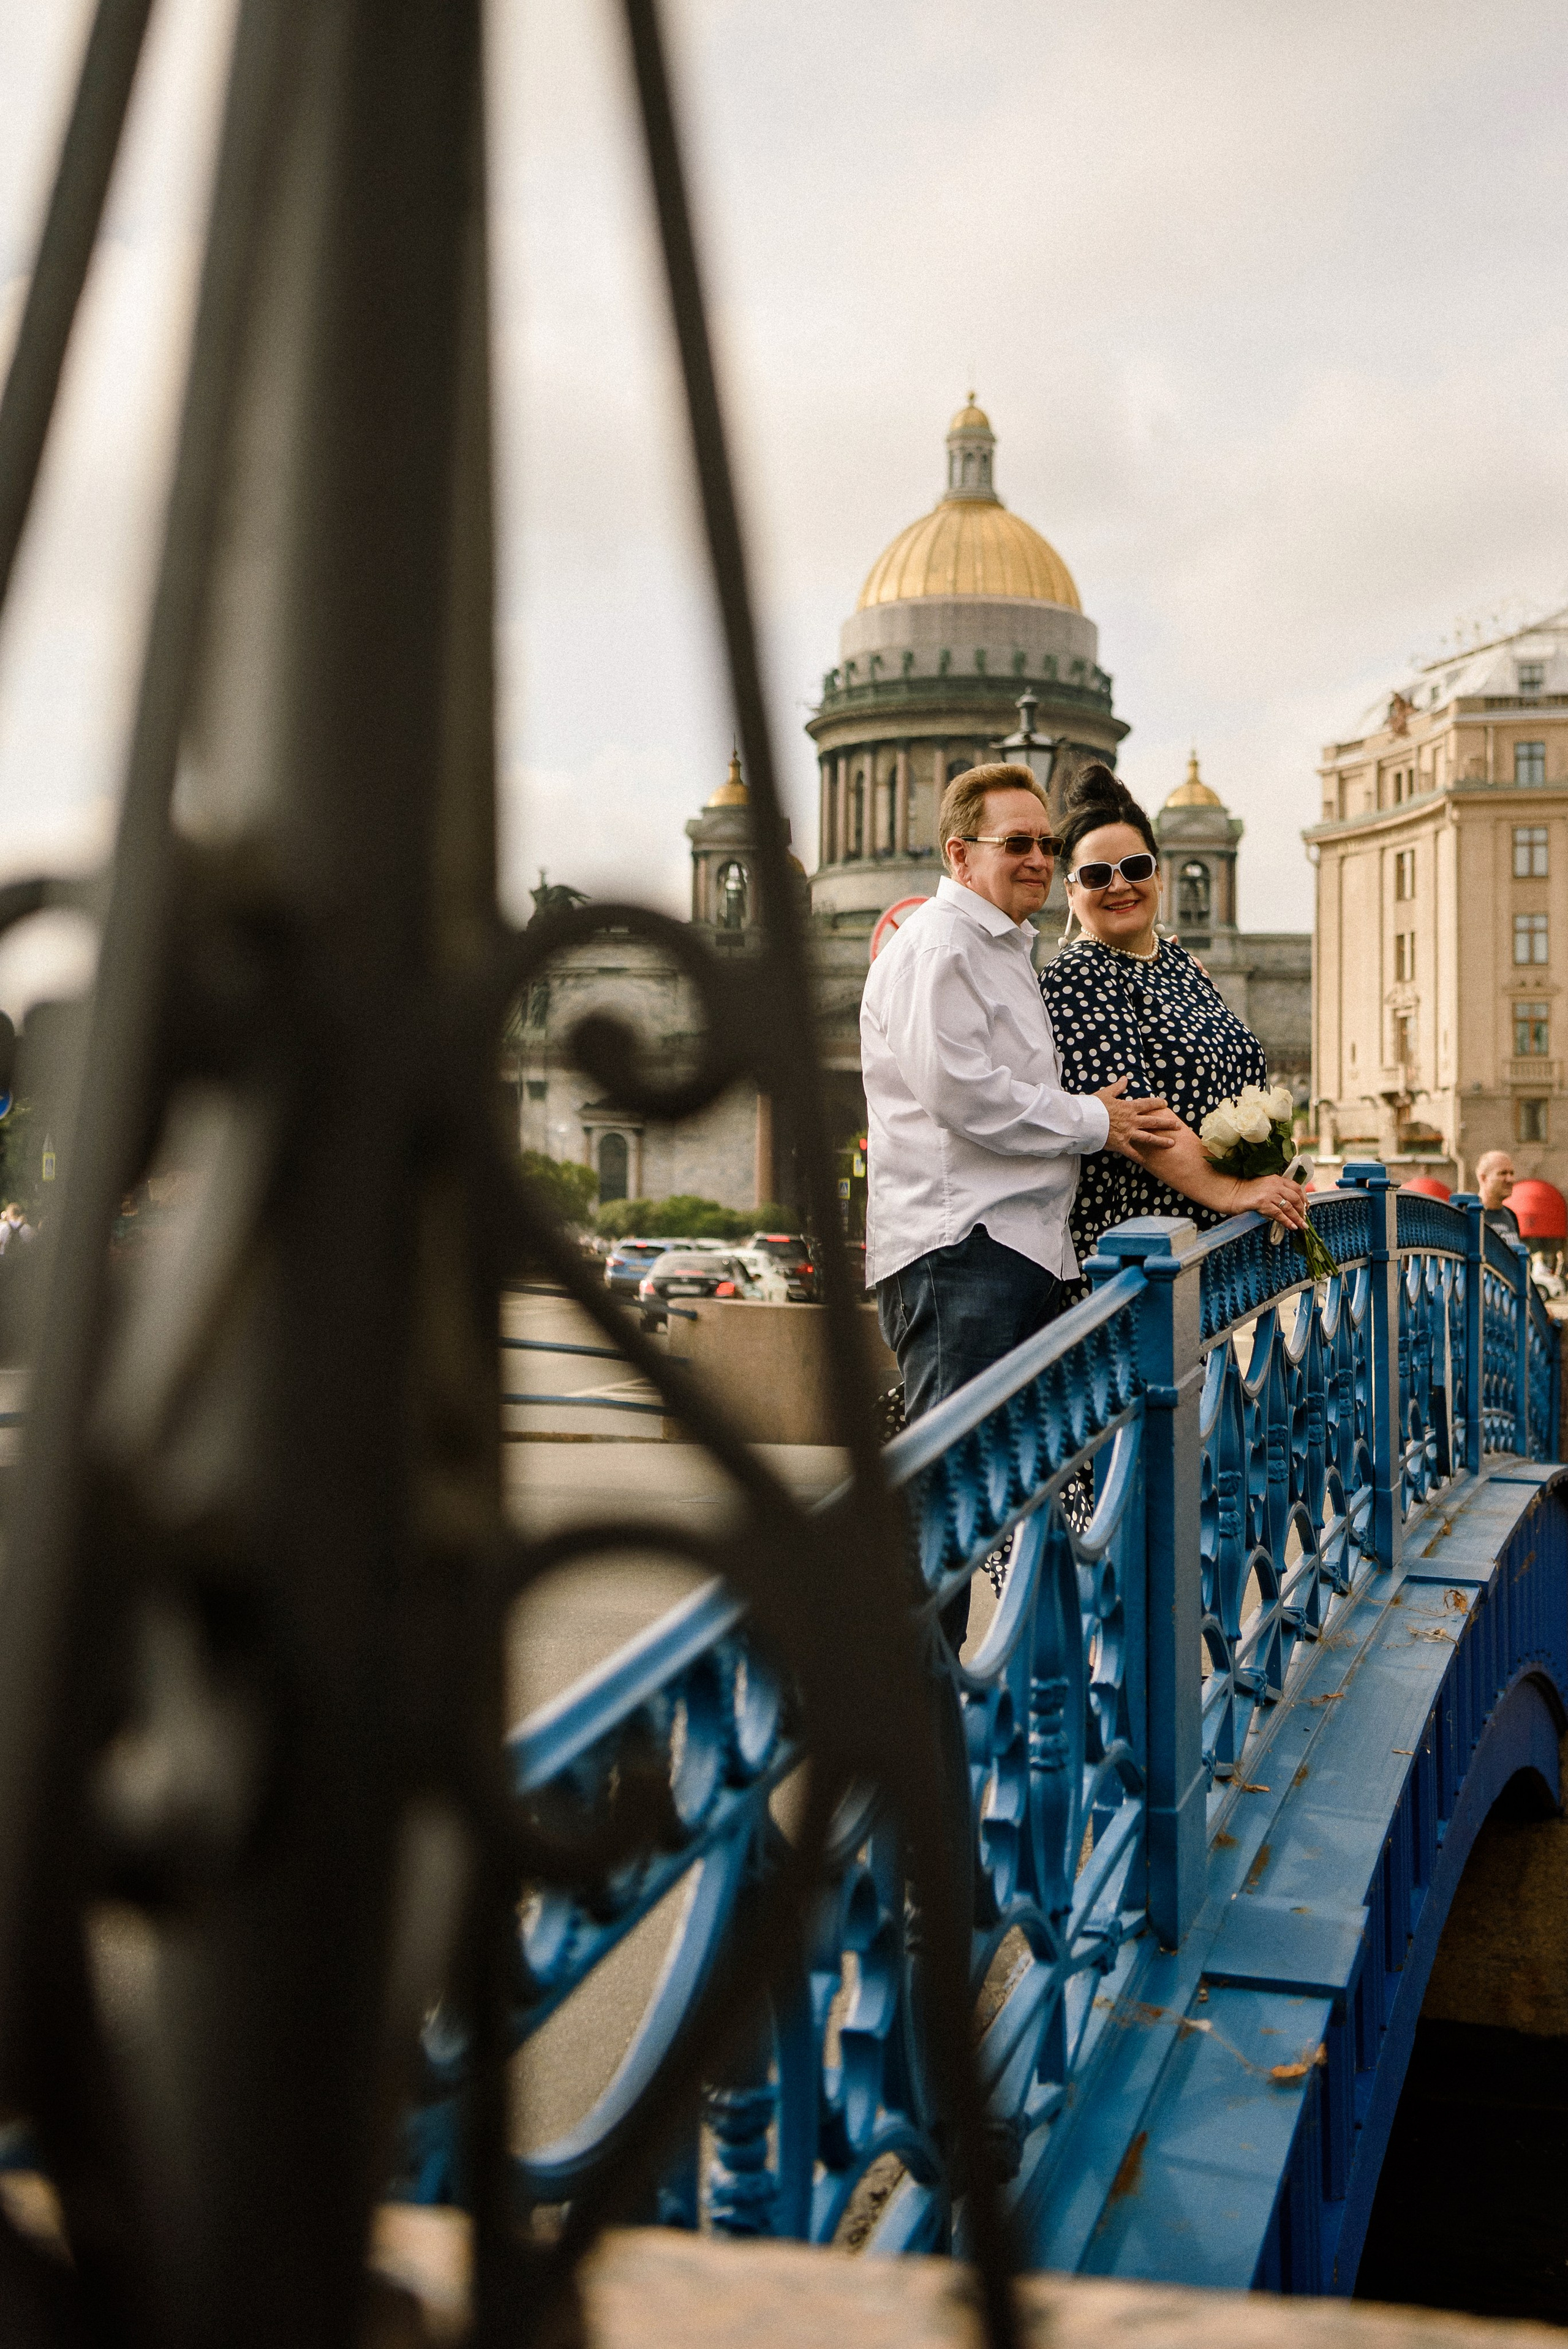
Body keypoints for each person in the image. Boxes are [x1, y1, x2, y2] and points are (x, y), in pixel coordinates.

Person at [862, 759, 1179, 1490]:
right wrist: (1093, 1119)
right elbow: (963, 1094)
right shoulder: (941, 946)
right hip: (962, 1253)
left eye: (1045, 844)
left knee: (1008, 1492)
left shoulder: (997, 947)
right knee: (947, 1495)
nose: (1038, 859)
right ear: (959, 855)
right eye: (1015, 844)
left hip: (1008, 1252)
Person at [1040, 763, 1309, 1286]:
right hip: (1137, 1263)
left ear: (1159, 876)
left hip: (1206, 1251)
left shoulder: (1180, 964)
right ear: (1071, 893)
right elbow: (1137, 1119)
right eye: (1097, 875)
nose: (1120, 886)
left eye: (1136, 867)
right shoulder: (1078, 975)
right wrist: (1233, 1192)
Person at [1476, 1151, 1521, 1243]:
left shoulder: (1511, 1216)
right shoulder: (1470, 1214)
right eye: (1503, 1173)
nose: (1510, 1179)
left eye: (1512, 1173)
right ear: (1483, 1178)